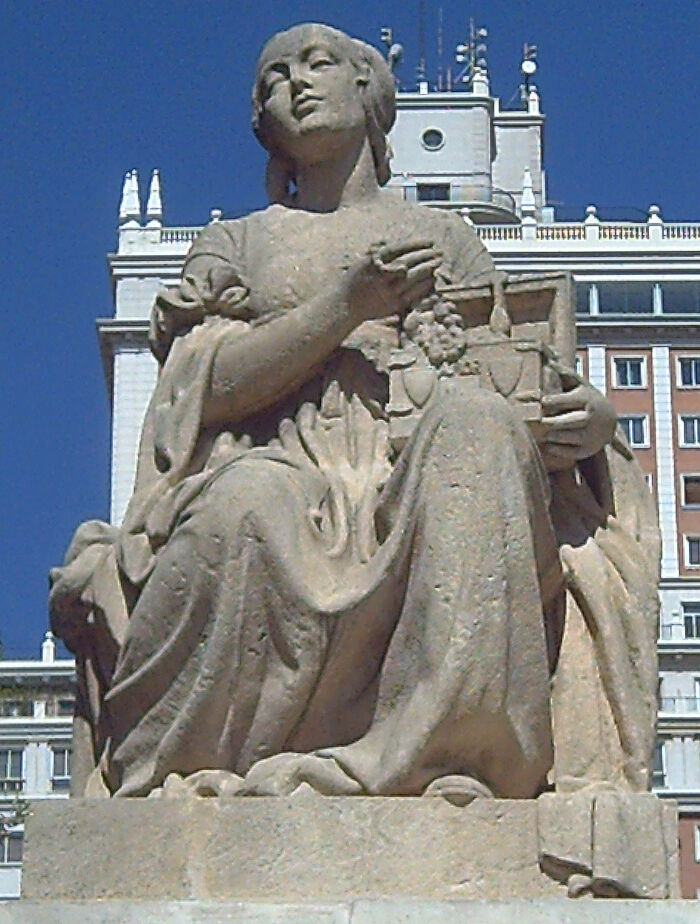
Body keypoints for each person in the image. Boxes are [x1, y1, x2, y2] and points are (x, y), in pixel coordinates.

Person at [51, 24, 635, 801]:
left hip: (414, 474)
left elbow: (510, 378)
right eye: (272, 78)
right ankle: (208, 762)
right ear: (262, 120)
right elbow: (201, 386)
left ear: (370, 92)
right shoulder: (237, 243)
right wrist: (344, 305)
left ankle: (446, 753)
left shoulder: (445, 238)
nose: (293, 82)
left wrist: (590, 429)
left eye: (317, 63)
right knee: (248, 504)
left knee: (478, 432)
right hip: (277, 466)